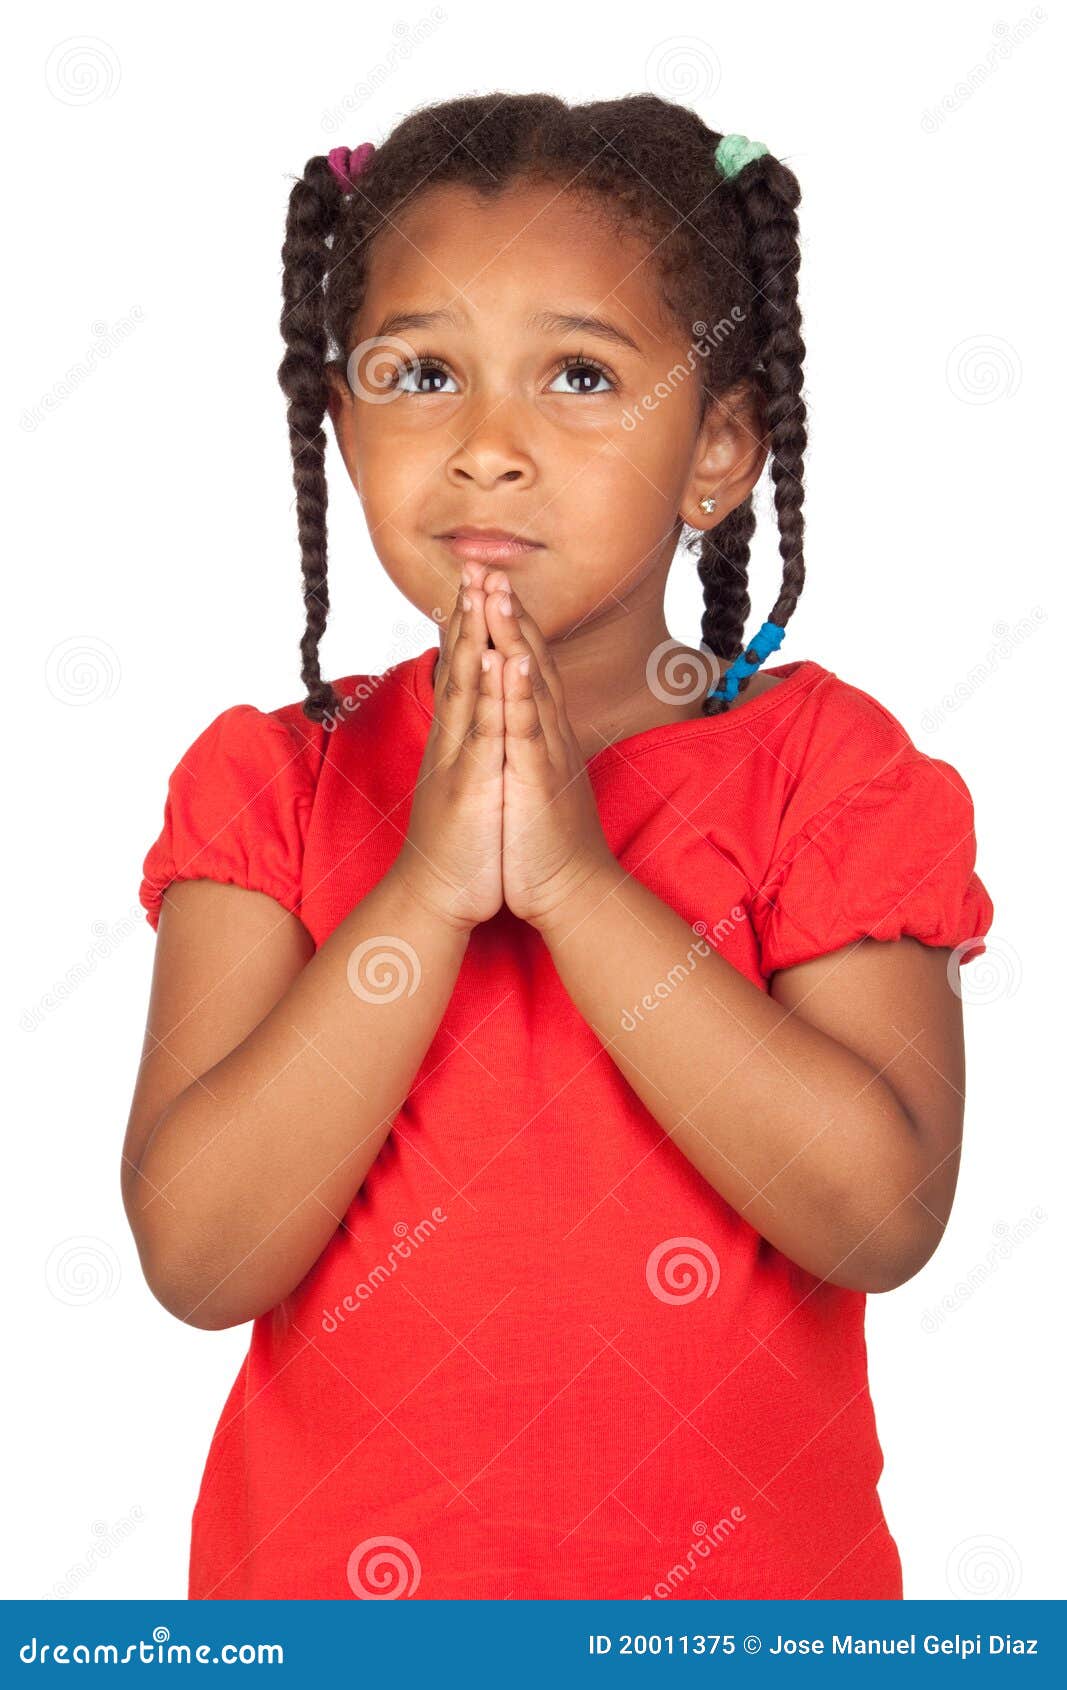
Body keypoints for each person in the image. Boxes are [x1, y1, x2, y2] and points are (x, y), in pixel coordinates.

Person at [121, 93, 994, 1601]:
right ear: (343, 429)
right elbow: (201, 1258)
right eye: (422, 375)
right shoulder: (276, 782)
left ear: (719, 448)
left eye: (580, 375)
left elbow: (882, 1215)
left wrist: (580, 885)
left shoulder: (826, 774)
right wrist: (426, 892)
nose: (487, 449)